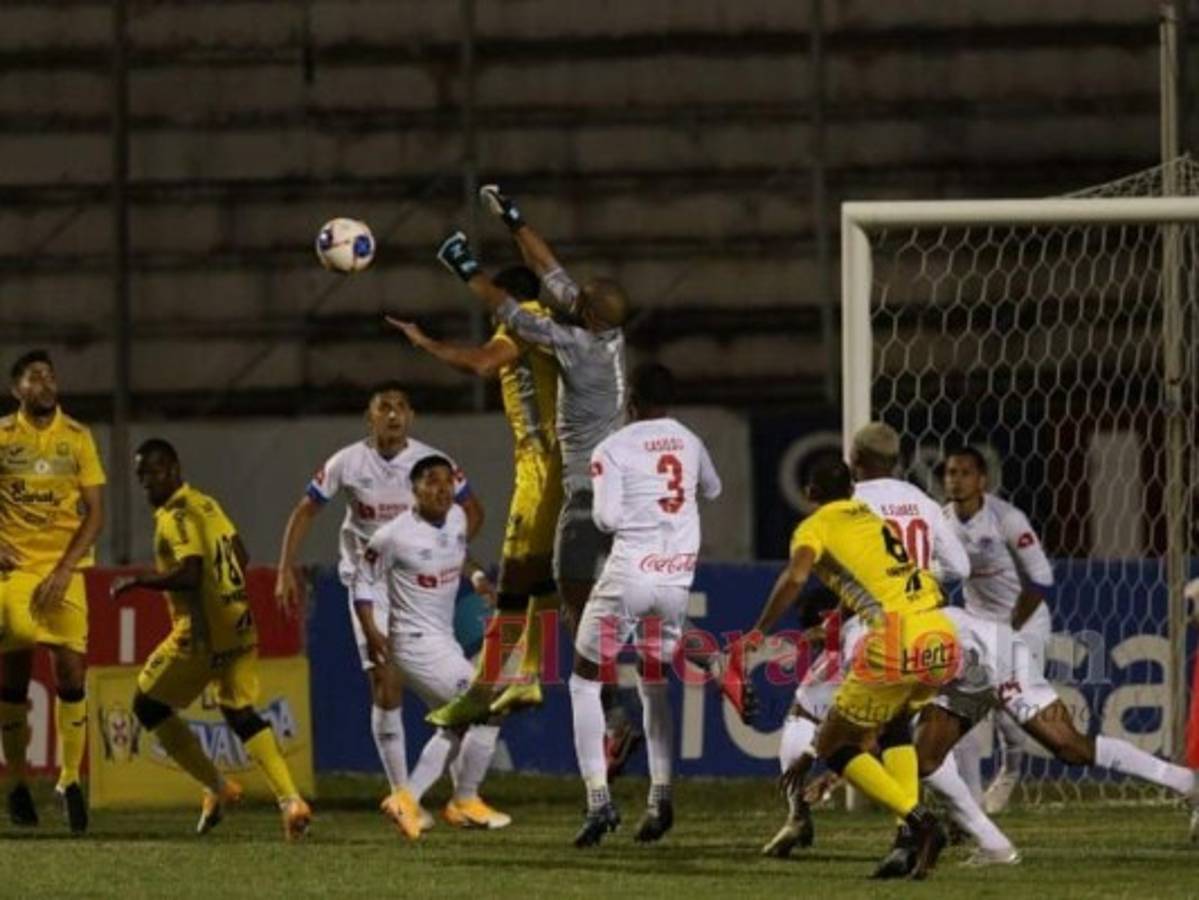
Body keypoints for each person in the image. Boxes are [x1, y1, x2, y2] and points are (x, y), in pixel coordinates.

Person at [435, 186, 641, 772]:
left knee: (546, 595)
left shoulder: (577, 344)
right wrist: (513, 219)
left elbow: (506, 317)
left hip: (577, 488)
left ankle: (527, 689)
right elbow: (548, 267)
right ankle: (532, 678)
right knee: (557, 593)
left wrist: (463, 267)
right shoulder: (594, 322)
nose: (568, 294)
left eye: (581, 299)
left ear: (591, 316)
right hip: (595, 485)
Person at [763, 423, 973, 866]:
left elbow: (800, 574)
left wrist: (762, 631)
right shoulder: (922, 503)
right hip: (936, 624)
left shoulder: (845, 509)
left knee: (814, 719)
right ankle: (913, 837)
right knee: (895, 728)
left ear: (855, 462)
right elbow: (961, 567)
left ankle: (814, 811)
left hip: (880, 632)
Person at [274, 383, 483, 804]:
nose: (393, 414)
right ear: (370, 418)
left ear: (411, 417)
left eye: (401, 407)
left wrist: (444, 548)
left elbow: (473, 510)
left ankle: (459, 791)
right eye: (384, 408)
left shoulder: (431, 464)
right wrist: (285, 569)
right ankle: (402, 794)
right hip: (367, 584)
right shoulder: (347, 462)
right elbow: (305, 509)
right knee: (385, 683)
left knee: (466, 697)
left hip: (417, 586)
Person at [111, 439, 311, 840]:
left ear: (173, 469)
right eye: (141, 476)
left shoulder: (176, 515)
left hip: (201, 637)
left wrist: (139, 582)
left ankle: (218, 787)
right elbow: (240, 553)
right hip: (239, 626)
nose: (147, 483)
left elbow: (190, 573)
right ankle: (291, 801)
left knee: (146, 706)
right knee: (239, 712)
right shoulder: (207, 504)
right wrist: (225, 596)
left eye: (153, 472)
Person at [387, 265, 563, 721]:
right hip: (560, 464)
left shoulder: (522, 320)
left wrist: (426, 344)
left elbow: (484, 362)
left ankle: (483, 685)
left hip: (540, 466)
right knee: (539, 576)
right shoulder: (551, 319)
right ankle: (529, 676)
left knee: (516, 577)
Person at [568, 364, 720, 847]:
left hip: (630, 574)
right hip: (675, 576)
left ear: (629, 400)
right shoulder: (689, 439)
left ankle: (598, 799)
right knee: (655, 682)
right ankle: (660, 794)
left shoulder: (614, 446)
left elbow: (608, 518)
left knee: (582, 681)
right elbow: (713, 489)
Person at [354, 455, 509, 838]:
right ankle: (462, 800)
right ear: (414, 490)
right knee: (489, 704)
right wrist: (372, 631)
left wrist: (475, 576)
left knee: (456, 724)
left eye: (447, 481)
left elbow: (457, 551)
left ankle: (410, 800)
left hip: (443, 641)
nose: (442, 489)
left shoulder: (456, 517)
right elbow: (361, 581)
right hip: (414, 645)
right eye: (431, 481)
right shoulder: (393, 534)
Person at [0, 350, 105, 833]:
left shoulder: (78, 438)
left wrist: (65, 569)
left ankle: (69, 781)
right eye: (34, 377)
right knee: (17, 666)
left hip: (66, 570)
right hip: (15, 571)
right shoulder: (2, 437)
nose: (45, 383)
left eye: (50, 376)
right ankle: (18, 782)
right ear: (16, 388)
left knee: (69, 669)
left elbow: (95, 513)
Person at [940, 447, 1053, 813]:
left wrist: (1011, 630)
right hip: (977, 623)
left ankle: (1010, 771)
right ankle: (970, 804)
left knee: (1009, 710)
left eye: (965, 473)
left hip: (1025, 621)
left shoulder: (1007, 518)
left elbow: (1041, 580)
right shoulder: (942, 522)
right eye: (951, 472)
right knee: (963, 710)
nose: (956, 479)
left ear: (982, 480)